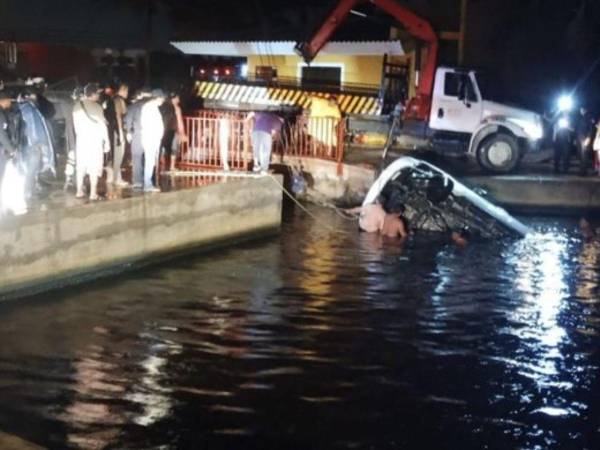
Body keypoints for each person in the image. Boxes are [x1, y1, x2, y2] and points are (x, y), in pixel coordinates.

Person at [72, 83, 109, 201]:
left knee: (81, 167)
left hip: (81, 141)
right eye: (98, 93)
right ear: (93, 94)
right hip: (94, 142)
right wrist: (107, 142)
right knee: (94, 167)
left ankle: (79, 191)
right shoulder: (97, 108)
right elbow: (103, 126)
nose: (99, 95)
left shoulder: (77, 106)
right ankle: (93, 193)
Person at [124, 89, 151, 188]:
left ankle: (137, 180)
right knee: (148, 158)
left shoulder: (134, 106)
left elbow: (127, 120)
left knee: (136, 157)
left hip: (138, 134)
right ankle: (148, 180)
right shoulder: (151, 106)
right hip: (149, 134)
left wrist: (128, 132)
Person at [140, 89, 166, 192]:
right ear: (158, 97)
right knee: (150, 161)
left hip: (151, 138)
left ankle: (148, 183)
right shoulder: (150, 108)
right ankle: (147, 184)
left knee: (150, 161)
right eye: (162, 97)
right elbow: (151, 125)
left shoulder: (150, 107)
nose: (163, 100)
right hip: (151, 138)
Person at [112, 82, 129, 186]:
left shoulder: (112, 99)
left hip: (113, 130)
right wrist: (121, 132)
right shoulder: (119, 100)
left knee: (116, 154)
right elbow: (119, 116)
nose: (127, 93)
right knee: (119, 154)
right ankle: (117, 178)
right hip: (118, 130)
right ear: (121, 90)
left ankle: (114, 177)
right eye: (126, 90)